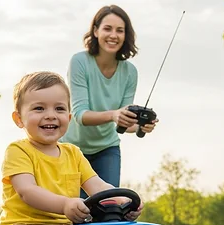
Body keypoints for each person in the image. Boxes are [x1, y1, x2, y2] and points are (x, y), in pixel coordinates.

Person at [0, 71, 144, 225]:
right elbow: (27, 191)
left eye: (59, 109)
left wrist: (123, 200)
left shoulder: (73, 153)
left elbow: (98, 186)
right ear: (18, 119)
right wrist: (65, 204)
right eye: (39, 108)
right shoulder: (18, 150)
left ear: (69, 116)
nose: (50, 116)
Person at [61, 4, 158, 194]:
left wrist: (140, 126)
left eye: (120, 30)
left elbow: (121, 122)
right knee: (77, 211)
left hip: (107, 149)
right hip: (72, 149)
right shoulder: (79, 62)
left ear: (126, 35)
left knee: (108, 207)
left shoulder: (130, 72)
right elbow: (80, 115)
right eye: (107, 28)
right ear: (96, 31)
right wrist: (114, 115)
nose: (113, 35)